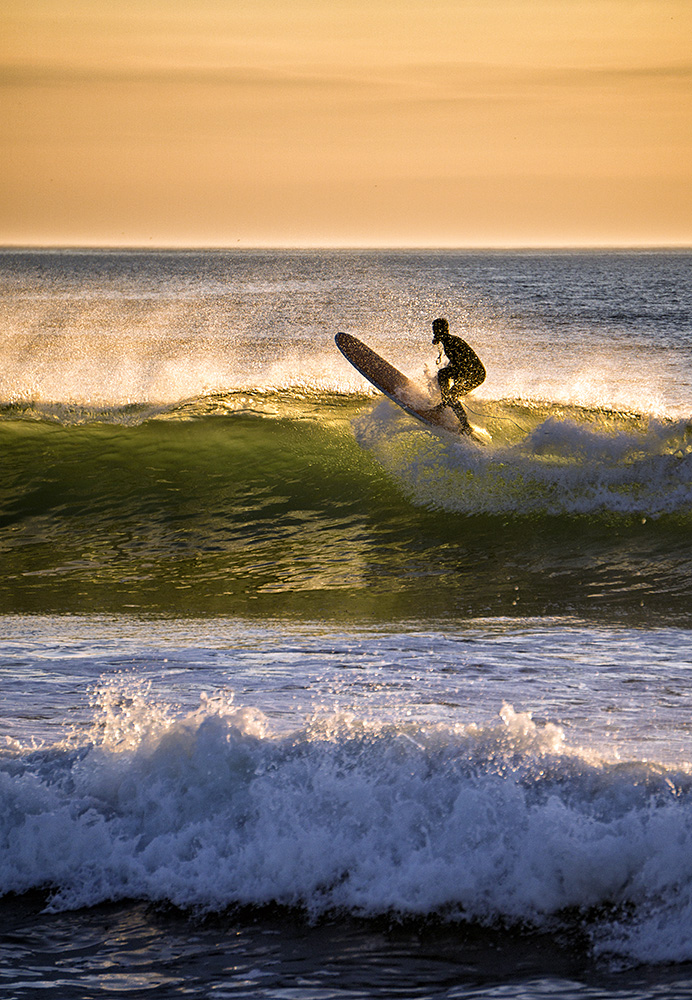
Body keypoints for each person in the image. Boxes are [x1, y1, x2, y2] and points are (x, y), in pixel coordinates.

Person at [431, 317, 485, 427]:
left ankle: (465, 425)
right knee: (443, 376)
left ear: (442, 330)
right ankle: (444, 405)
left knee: (451, 393)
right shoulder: (448, 341)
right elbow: (456, 365)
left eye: (436, 329)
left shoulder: (451, 343)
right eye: (433, 329)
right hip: (470, 372)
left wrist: (457, 382)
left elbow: (462, 365)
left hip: (476, 375)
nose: (433, 332)